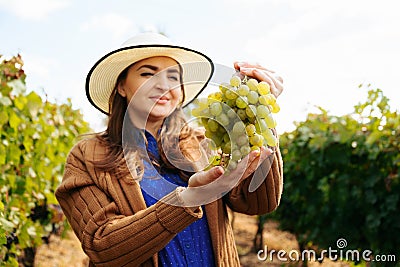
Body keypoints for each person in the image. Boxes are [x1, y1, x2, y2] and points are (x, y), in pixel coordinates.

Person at [55, 32, 284, 267]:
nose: (163, 85)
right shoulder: (87, 156)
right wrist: (189, 199)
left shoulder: (204, 143)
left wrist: (257, 115)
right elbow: (101, 246)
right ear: (122, 86)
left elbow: (259, 203)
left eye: (173, 77)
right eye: (147, 73)